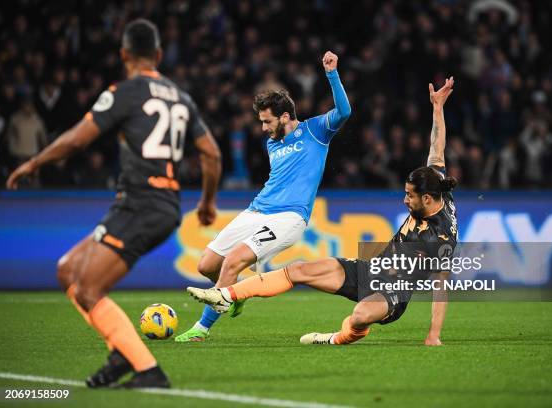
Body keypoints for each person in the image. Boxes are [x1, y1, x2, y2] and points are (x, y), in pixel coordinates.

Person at [6, 19, 221, 387]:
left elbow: (76, 140)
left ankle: (145, 368)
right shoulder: (181, 98)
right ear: (157, 54)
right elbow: (212, 154)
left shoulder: (126, 91)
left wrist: (34, 162)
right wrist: (206, 203)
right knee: (67, 271)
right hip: (158, 204)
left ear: (123, 55)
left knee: (88, 289)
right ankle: (122, 351)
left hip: (141, 204)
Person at [187, 77, 457, 346]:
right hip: (371, 267)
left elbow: (440, 285)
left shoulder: (441, 238)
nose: (404, 201)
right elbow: (437, 147)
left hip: (393, 289)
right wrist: (437, 108)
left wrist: (433, 335)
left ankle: (332, 337)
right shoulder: (434, 183)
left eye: (410, 196)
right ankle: (232, 294)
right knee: (286, 268)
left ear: (428, 198)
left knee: (359, 316)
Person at [176, 51, 351, 342]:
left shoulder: (316, 131)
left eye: (267, 121)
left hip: (289, 217)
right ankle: (236, 292)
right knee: (206, 265)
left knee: (232, 262)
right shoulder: (272, 143)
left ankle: (200, 330)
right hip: (257, 210)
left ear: (285, 116)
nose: (263, 128)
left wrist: (331, 74)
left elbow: (344, 112)